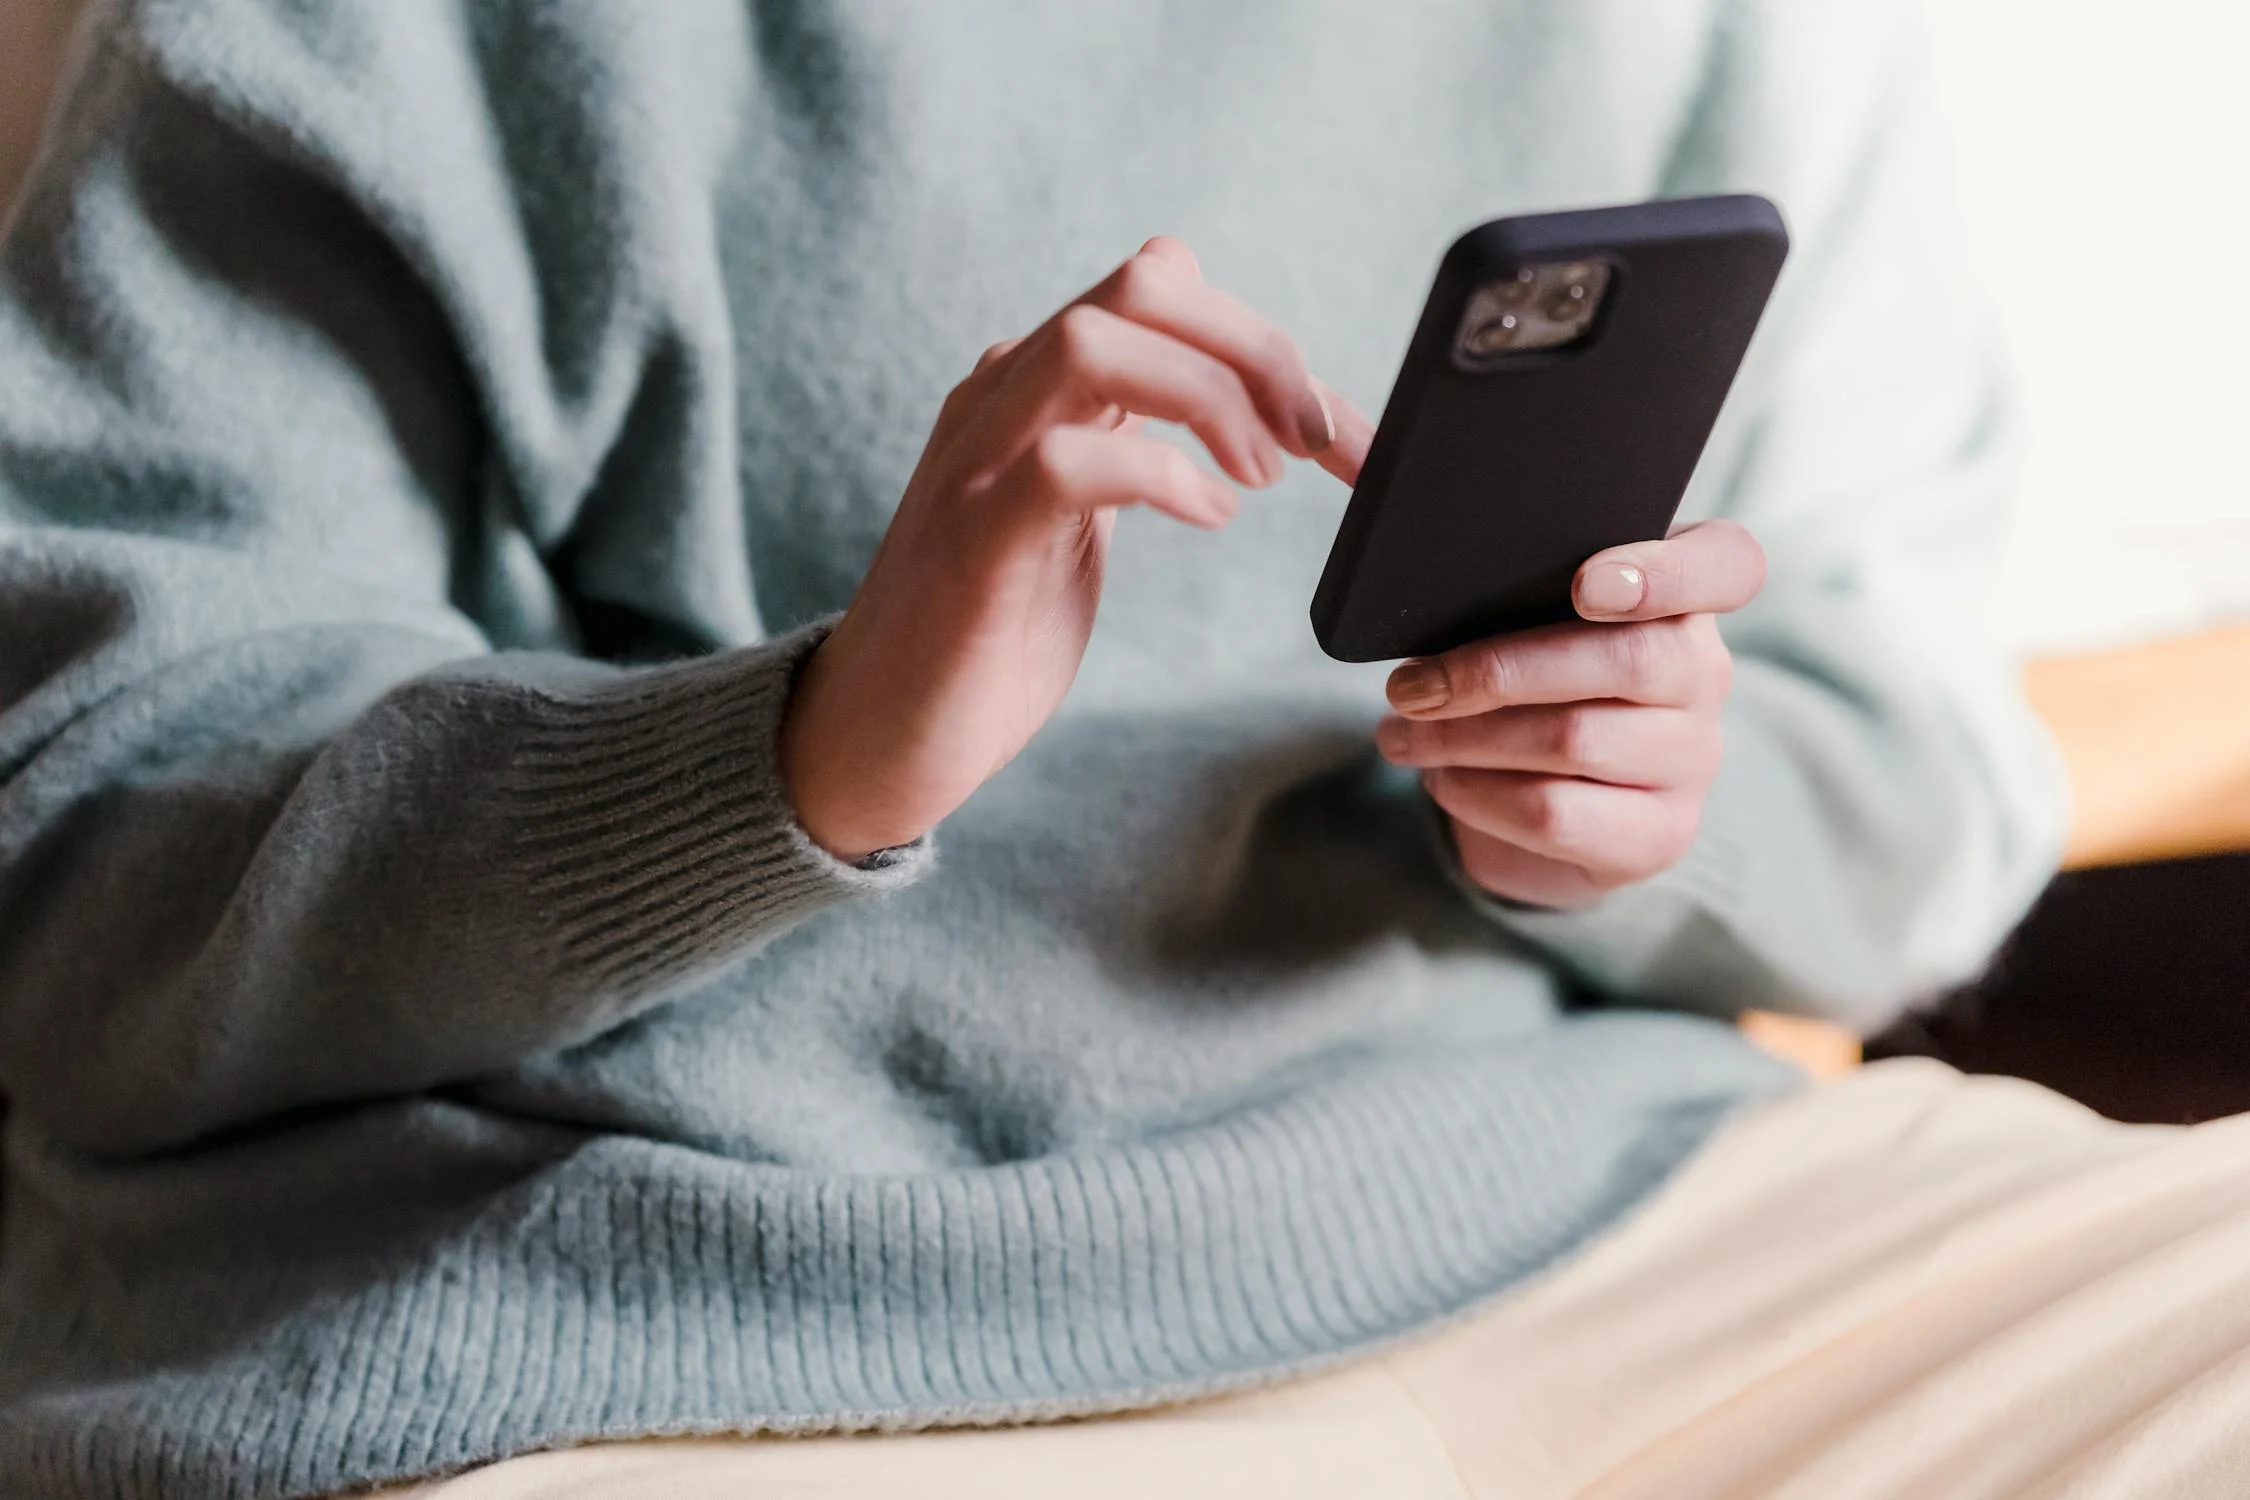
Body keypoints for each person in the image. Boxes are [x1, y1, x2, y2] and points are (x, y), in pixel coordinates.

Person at [6, 2, 2247, 1497]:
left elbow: (1928, 783)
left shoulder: (1721, 34)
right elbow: (84, 869)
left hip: (1592, 1209)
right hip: (650, 1321)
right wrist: (799, 753)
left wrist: (1653, 808)